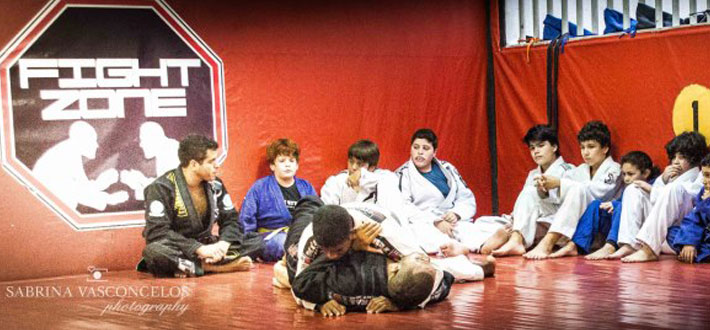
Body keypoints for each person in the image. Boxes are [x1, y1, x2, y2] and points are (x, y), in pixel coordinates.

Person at [140, 135, 261, 277]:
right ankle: (213, 267)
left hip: (208, 245)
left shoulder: (216, 185)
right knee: (154, 252)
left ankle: (191, 266)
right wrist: (198, 249)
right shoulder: (161, 188)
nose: (217, 165)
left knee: (256, 241)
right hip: (180, 247)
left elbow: (231, 219)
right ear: (193, 164)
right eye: (211, 161)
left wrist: (223, 244)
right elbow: (157, 232)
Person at [523, 121, 622, 260]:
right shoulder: (580, 170)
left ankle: (548, 242)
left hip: (600, 226)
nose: (585, 153)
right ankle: (518, 238)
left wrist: (559, 183)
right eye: (582, 147)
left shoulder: (614, 169)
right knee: (532, 192)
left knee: (577, 188)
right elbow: (560, 200)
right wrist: (544, 190)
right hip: (575, 225)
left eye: (591, 147)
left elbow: (598, 192)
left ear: (605, 148)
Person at [291, 251, 495, 317]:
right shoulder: (436, 286)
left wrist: (317, 302)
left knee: (286, 276)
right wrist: (402, 304)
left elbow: (300, 285)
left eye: (421, 260)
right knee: (438, 267)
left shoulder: (349, 279)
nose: (424, 258)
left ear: (396, 267)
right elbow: (446, 280)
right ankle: (481, 269)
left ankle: (480, 269)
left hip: (344, 255)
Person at [396, 128, 497, 254]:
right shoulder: (403, 174)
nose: (420, 152)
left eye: (425, 148)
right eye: (416, 147)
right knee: (419, 233)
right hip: (424, 221)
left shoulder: (448, 169)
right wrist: (436, 222)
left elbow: (466, 197)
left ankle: (484, 244)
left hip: (450, 219)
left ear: (434, 152)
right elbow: (404, 206)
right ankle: (455, 247)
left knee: (469, 228)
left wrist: (456, 213)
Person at [547, 151, 658, 258]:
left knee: (619, 206)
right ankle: (576, 245)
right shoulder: (627, 188)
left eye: (631, 174)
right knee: (596, 205)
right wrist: (612, 205)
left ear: (646, 173)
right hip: (620, 228)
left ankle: (611, 246)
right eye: (624, 174)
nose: (626, 178)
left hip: (640, 231)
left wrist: (616, 205)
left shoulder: (654, 185)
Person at [490, 125, 575, 257]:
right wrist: (515, 218)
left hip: (555, 225)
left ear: (554, 147)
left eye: (541, 146)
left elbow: (570, 207)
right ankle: (509, 236)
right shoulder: (533, 174)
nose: (536, 151)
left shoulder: (569, 170)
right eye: (532, 148)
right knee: (485, 222)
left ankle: (515, 240)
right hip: (534, 222)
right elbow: (525, 205)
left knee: (530, 192)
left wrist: (545, 192)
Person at [623, 132, 708, 262]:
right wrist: (663, 179)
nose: (675, 162)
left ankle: (649, 249)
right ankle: (629, 244)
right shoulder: (671, 177)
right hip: (665, 235)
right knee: (633, 189)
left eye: (681, 157)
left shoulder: (702, 175)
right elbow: (656, 201)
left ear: (693, 158)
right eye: (674, 157)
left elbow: (693, 197)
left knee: (674, 189)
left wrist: (654, 189)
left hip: (684, 232)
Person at [239, 138, 317, 262]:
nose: (287, 164)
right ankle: (300, 256)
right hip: (271, 238)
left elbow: (316, 213)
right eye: (282, 161)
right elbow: (246, 219)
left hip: (300, 236)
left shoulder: (306, 187)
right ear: (272, 165)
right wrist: (250, 243)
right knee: (281, 243)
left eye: (292, 161)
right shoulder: (260, 187)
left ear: (297, 165)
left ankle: (302, 254)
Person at [666, 154, 710, 264]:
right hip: (703, 239)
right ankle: (690, 252)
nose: (704, 181)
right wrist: (689, 242)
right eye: (703, 175)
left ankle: (692, 255)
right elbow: (694, 219)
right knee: (672, 232)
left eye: (708, 176)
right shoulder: (703, 192)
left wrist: (706, 204)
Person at [120, 121, 180, 200]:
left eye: (142, 140)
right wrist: (137, 185)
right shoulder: (164, 150)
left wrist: (141, 180)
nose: (140, 145)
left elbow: (168, 193)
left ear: (154, 138)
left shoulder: (172, 151)